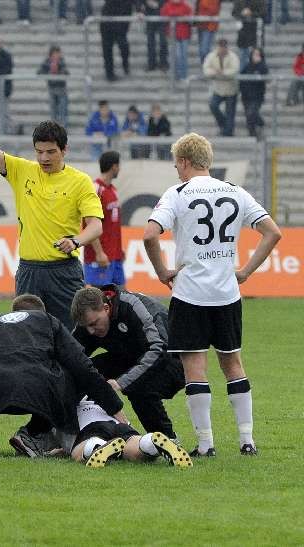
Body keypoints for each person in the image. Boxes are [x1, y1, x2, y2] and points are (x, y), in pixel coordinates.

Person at [143, 132, 282, 457]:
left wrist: (163, 272)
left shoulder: (177, 193)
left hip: (191, 294)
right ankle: (247, 440)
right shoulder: (235, 192)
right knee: (233, 363)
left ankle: (206, 444)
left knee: (195, 368)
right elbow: (273, 232)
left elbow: (150, 234)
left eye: (177, 162)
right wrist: (245, 271)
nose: (177, 169)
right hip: (227, 293)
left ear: (186, 161)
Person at [0, 80, 103, 329]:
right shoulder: (22, 170)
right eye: (39, 152)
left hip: (65, 271)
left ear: (64, 150)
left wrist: (76, 241)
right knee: (24, 335)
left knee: (71, 337)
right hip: (29, 272)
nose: (43, 158)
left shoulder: (80, 181)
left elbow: (95, 226)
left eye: (50, 152)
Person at [0, 295, 127, 457]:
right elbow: (83, 367)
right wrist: (115, 408)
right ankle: (32, 434)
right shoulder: (49, 321)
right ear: (41, 312)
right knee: (67, 373)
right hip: (34, 392)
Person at [71, 285, 186, 439]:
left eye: (93, 324)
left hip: (172, 360)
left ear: (106, 308)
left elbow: (159, 350)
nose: (91, 331)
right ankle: (69, 434)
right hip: (130, 358)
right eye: (86, 327)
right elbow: (70, 355)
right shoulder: (89, 320)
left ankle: (167, 441)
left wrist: (121, 382)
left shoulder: (133, 308)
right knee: (84, 372)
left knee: (139, 389)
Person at [70, 398, 192, 467]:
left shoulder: (68, 403)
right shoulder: (104, 398)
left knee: (79, 451)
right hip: (119, 425)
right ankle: (150, 442)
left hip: (92, 427)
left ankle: (95, 446)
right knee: (133, 444)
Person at [83, 151, 124, 286]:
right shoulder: (96, 189)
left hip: (114, 255)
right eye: (118, 165)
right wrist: (99, 253)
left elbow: (113, 224)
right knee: (98, 299)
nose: (119, 169)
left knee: (121, 297)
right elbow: (90, 224)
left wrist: (119, 249)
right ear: (113, 167)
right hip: (99, 257)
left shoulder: (113, 190)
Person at [203, 38, 239, 137]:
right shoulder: (212, 56)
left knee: (230, 112)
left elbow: (234, 70)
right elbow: (206, 69)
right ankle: (224, 125)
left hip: (231, 89)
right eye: (220, 47)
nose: (222, 49)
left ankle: (228, 132)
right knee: (213, 105)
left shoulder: (233, 57)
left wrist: (222, 73)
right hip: (218, 89)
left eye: (224, 47)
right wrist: (215, 72)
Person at [100, 0, 132, 82]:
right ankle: (109, 73)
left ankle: (125, 65)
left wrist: (139, 9)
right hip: (108, 21)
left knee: (124, 46)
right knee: (107, 49)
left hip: (122, 20)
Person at [239, 47, 268, 138]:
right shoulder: (247, 66)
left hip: (257, 96)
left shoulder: (263, 66)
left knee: (252, 112)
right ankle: (252, 132)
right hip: (246, 95)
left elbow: (266, 76)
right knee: (248, 115)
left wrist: (259, 63)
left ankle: (259, 125)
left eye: (258, 54)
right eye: (254, 54)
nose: (255, 56)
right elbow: (241, 77)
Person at [160, 0, 192, 81]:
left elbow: (191, 18)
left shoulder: (186, 6)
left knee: (183, 55)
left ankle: (183, 76)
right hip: (173, 35)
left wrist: (182, 17)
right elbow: (163, 17)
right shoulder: (167, 5)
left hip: (185, 34)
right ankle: (176, 75)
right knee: (177, 55)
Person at [37, 45, 69, 128]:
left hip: (61, 89)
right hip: (52, 89)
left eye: (58, 53)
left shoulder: (62, 62)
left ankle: (63, 127)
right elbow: (39, 72)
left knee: (63, 109)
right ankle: (54, 128)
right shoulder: (47, 62)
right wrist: (49, 73)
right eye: (55, 53)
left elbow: (66, 73)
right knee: (53, 110)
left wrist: (58, 72)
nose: (57, 55)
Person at [232, 0, 264, 71]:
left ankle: (256, 77)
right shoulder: (238, 1)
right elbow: (234, 13)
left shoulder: (259, 1)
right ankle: (242, 78)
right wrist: (242, 14)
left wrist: (251, 13)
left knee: (256, 57)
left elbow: (263, 13)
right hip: (243, 33)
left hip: (255, 32)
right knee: (243, 56)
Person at [140, 0, 168, 72]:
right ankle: (151, 64)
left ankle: (163, 63)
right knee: (150, 43)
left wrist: (158, 4)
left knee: (163, 42)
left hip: (162, 16)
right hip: (149, 16)